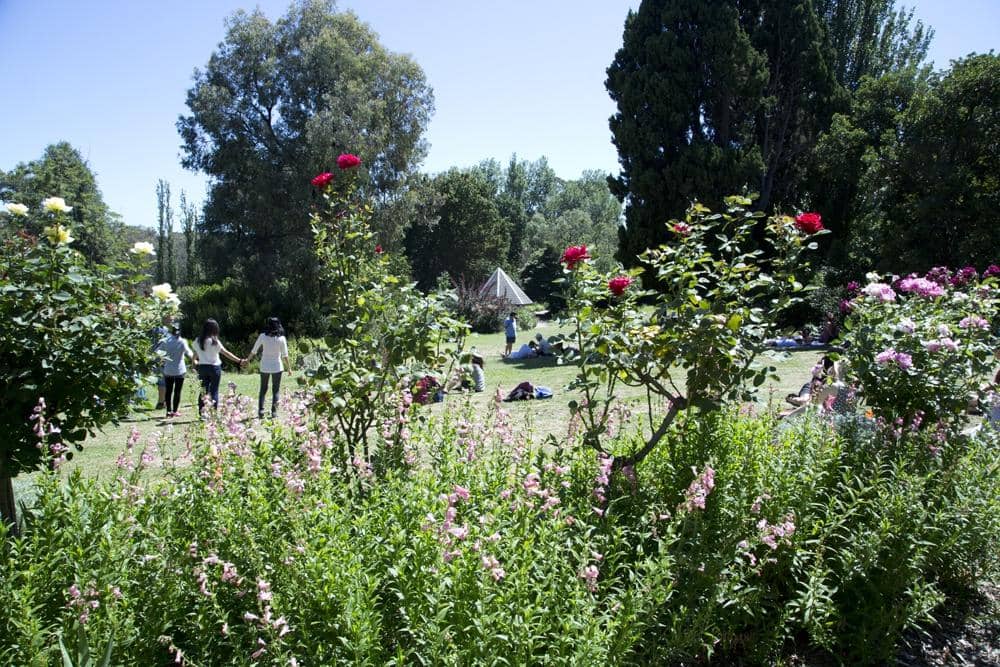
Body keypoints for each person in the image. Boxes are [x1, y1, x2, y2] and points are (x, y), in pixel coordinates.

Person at [192, 318, 243, 417]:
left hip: (202, 367)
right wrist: (239, 360)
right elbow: (226, 353)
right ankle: (213, 413)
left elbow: (195, 356)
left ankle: (202, 413)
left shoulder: (198, 341)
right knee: (214, 390)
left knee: (203, 390)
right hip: (214, 368)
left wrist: (194, 364)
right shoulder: (214, 342)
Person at [243, 317, 291, 419]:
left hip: (264, 366)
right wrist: (289, 368)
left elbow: (254, 350)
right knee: (276, 390)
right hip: (277, 367)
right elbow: (285, 355)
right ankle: (274, 413)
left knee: (263, 389)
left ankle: (260, 411)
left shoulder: (262, 336)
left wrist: (247, 360)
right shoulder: (281, 339)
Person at [154, 325, 195, 418]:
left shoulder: (166, 341)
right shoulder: (182, 341)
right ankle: (175, 411)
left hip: (168, 370)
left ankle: (168, 411)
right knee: (177, 391)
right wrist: (195, 360)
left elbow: (156, 352)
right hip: (180, 370)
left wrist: (162, 359)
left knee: (168, 391)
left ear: (172, 332)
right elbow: (189, 353)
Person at [151, 314, 172, 409]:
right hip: (161, 357)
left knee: (161, 381)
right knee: (163, 381)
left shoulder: (154, 328)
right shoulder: (162, 330)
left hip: (155, 357)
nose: (171, 320)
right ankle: (162, 402)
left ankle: (162, 402)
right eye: (169, 319)